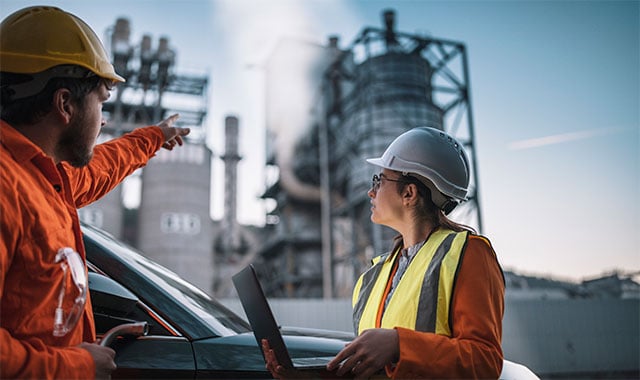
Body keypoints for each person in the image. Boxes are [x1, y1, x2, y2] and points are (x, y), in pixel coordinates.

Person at [0, 6, 190, 379]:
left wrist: (155, 137)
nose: (103, 119)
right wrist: (77, 366)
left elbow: (103, 166)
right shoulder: (7, 188)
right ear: (65, 104)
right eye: (101, 100)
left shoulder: (44, 178)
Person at [263, 127, 505, 379]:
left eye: (379, 181)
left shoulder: (468, 254)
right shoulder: (373, 276)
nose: (371, 191)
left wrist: (399, 345)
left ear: (409, 193)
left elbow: (484, 360)